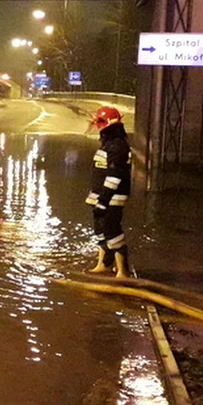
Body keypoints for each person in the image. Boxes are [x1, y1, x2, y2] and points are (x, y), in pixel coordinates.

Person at [85, 106, 131, 278]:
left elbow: (115, 174)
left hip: (112, 198)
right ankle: (103, 265)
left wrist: (103, 200)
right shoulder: (109, 143)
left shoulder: (118, 145)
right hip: (101, 197)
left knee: (113, 232)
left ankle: (122, 271)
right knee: (101, 232)